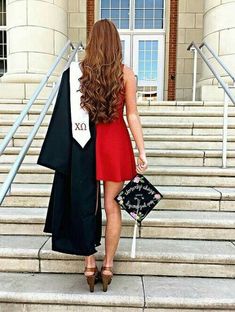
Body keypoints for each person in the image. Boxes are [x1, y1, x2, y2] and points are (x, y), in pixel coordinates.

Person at [80, 19, 148, 292]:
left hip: (87, 143)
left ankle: (88, 264)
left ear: (93, 41)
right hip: (116, 143)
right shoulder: (127, 74)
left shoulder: (80, 73)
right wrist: (142, 150)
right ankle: (107, 265)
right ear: (115, 43)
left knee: (88, 204)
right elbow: (132, 114)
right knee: (112, 206)